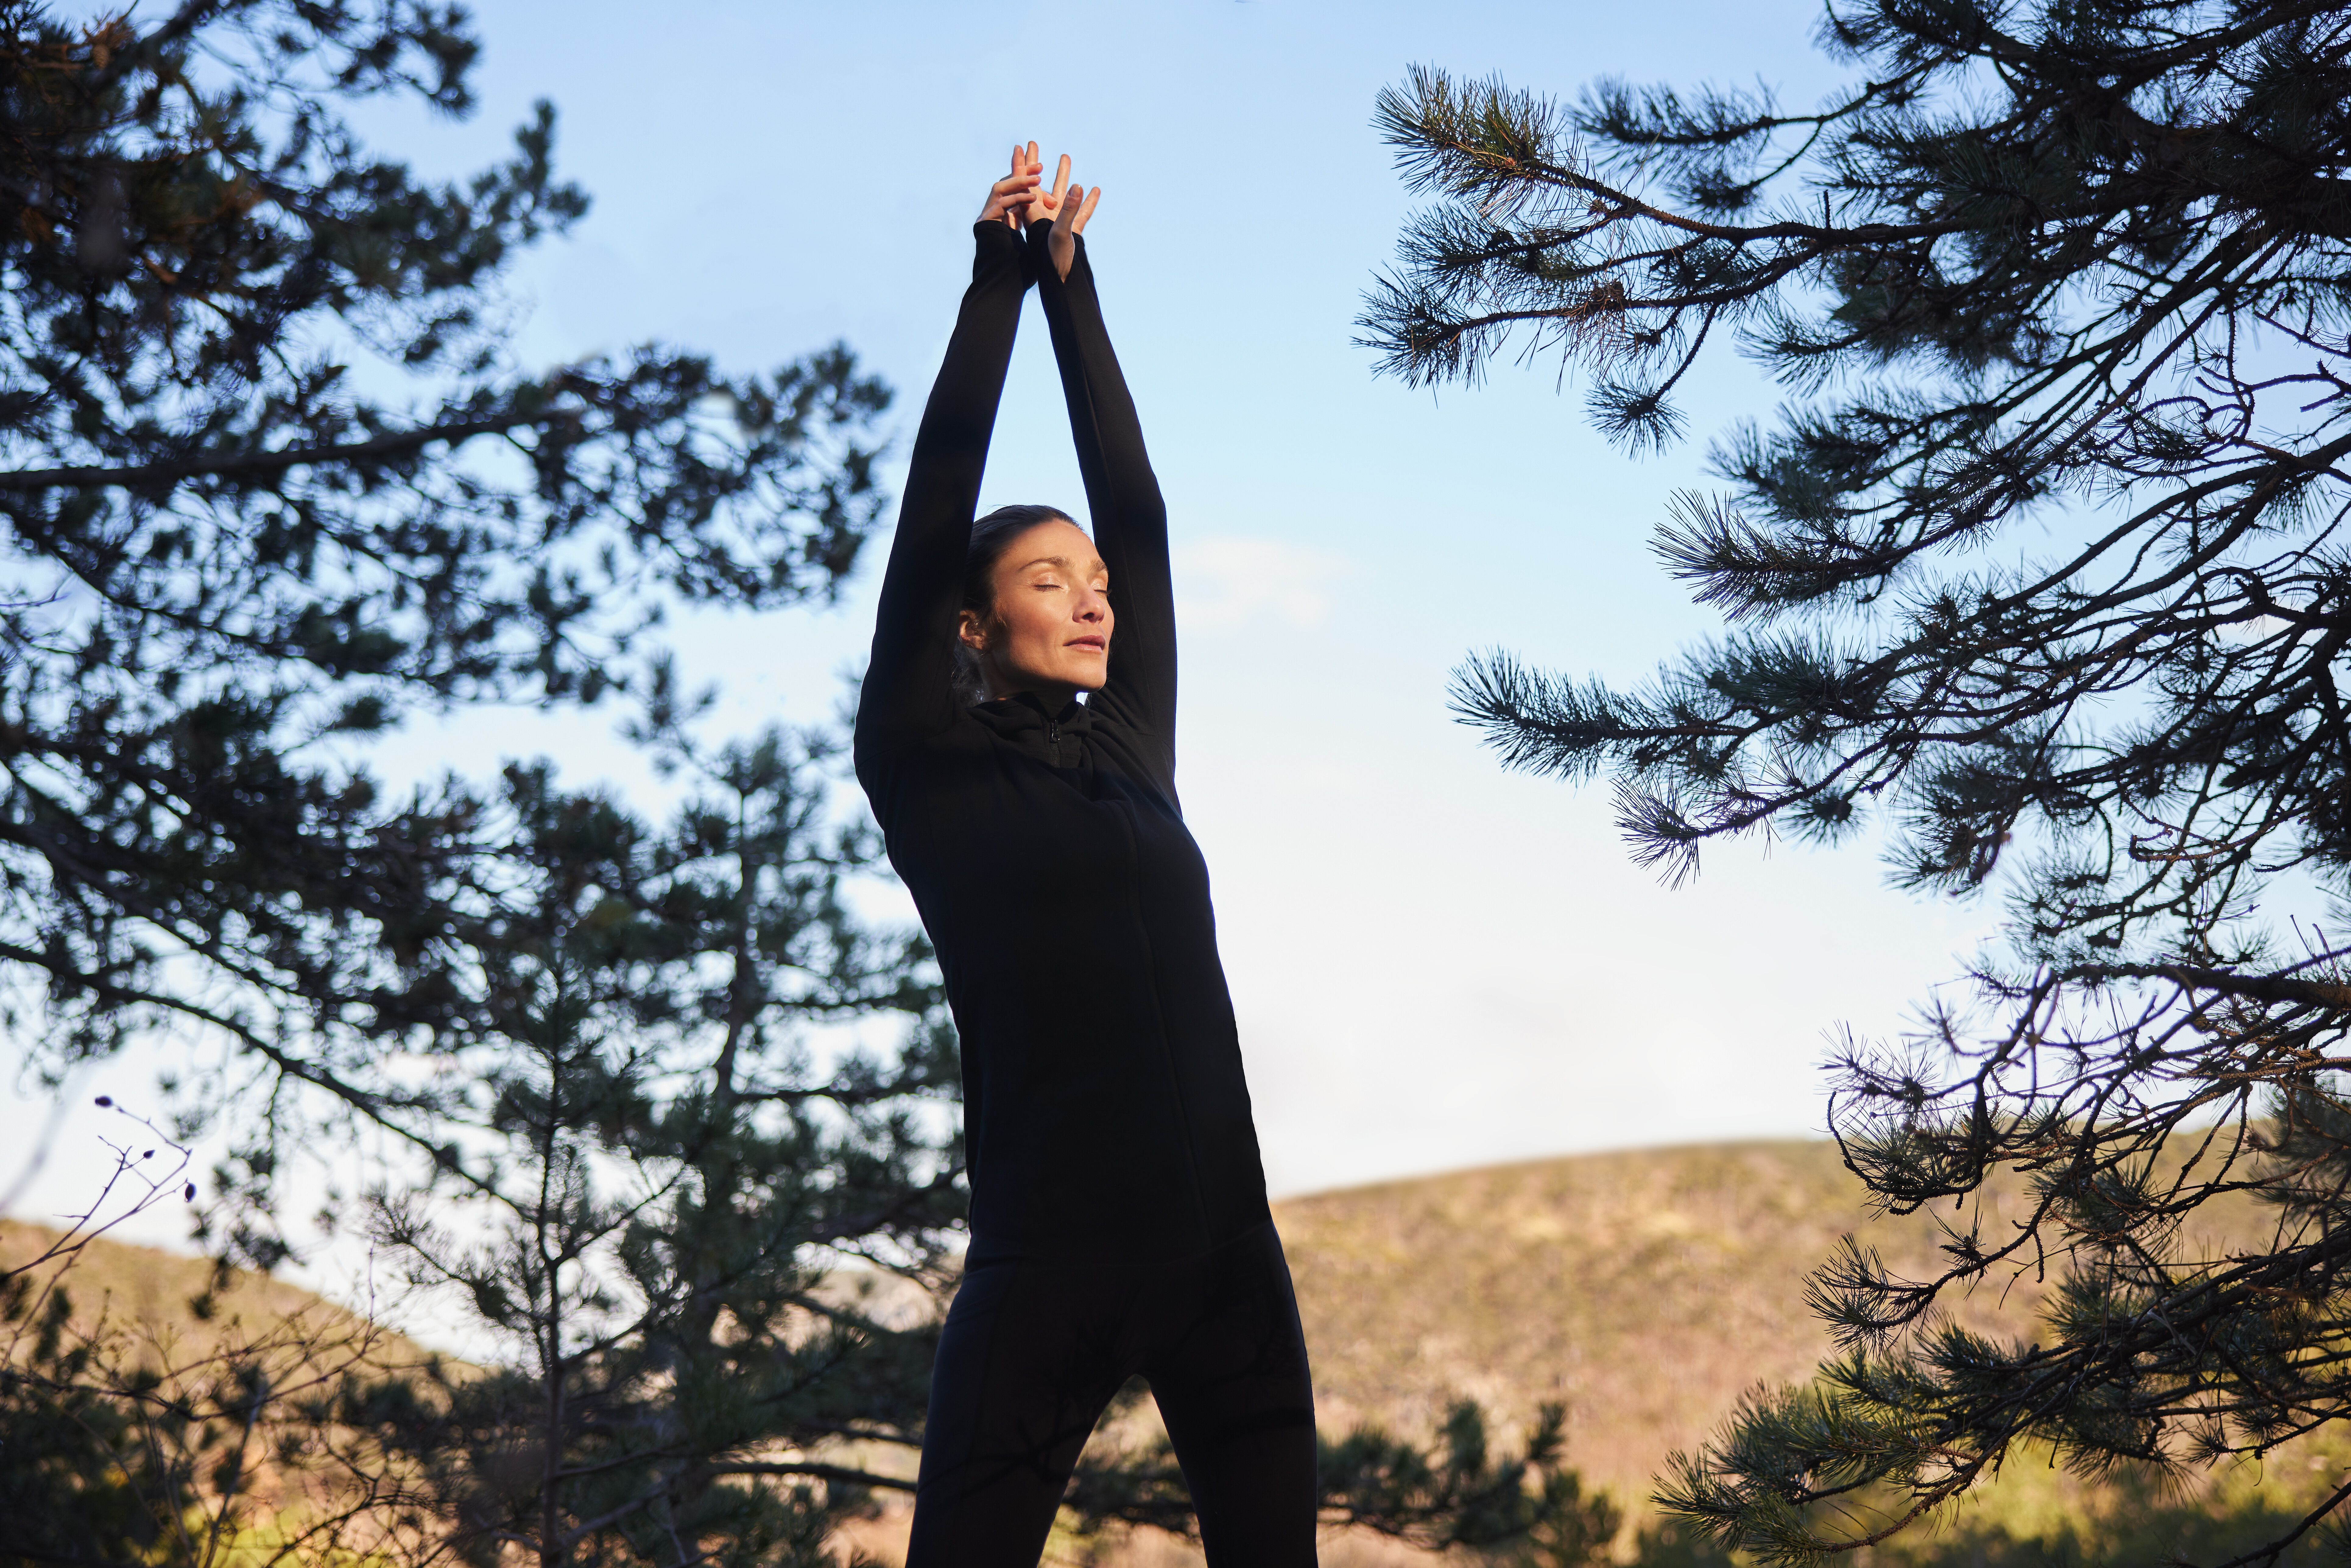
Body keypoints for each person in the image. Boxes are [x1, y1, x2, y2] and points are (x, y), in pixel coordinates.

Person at [853, 144, 1319, 1566]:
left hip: (1227, 1262)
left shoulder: (1129, 746)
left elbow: (1142, 513)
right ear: (971, 623)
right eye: (1049, 580)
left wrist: (1073, 288)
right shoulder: (922, 762)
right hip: (1048, 1269)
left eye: (1096, 584)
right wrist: (995, 286)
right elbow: (937, 499)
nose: (1093, 599)